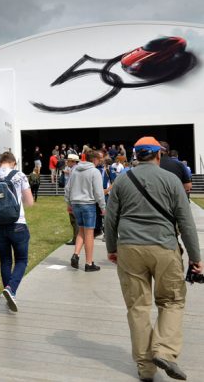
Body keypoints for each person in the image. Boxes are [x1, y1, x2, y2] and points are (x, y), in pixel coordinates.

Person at [105, 136, 202, 382]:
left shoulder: (122, 180)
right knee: (172, 301)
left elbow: (110, 218)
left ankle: (146, 369)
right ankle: (165, 350)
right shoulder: (171, 180)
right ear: (159, 154)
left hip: (129, 249)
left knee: (137, 307)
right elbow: (186, 223)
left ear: (135, 156)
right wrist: (196, 257)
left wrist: (112, 248)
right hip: (164, 248)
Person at [0, 152, 34, 312]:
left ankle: (9, 292)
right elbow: (29, 202)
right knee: (22, 260)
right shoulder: (20, 176)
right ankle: (11, 290)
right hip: (17, 223)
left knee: (5, 260)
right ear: (13, 163)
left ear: (0, 162)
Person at [65, 150, 106, 271]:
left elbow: (68, 188)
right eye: (98, 159)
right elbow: (99, 192)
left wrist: (68, 203)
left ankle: (76, 254)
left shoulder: (75, 170)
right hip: (88, 204)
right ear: (94, 160)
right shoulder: (95, 172)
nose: (99, 162)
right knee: (89, 234)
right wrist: (103, 207)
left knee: (81, 231)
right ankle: (89, 263)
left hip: (75, 203)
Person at [63, 153, 80, 245]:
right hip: (76, 197)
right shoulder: (76, 169)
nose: (67, 162)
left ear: (73, 161)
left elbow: (69, 187)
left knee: (74, 220)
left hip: (73, 198)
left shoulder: (74, 171)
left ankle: (76, 239)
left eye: (68, 160)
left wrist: (68, 201)